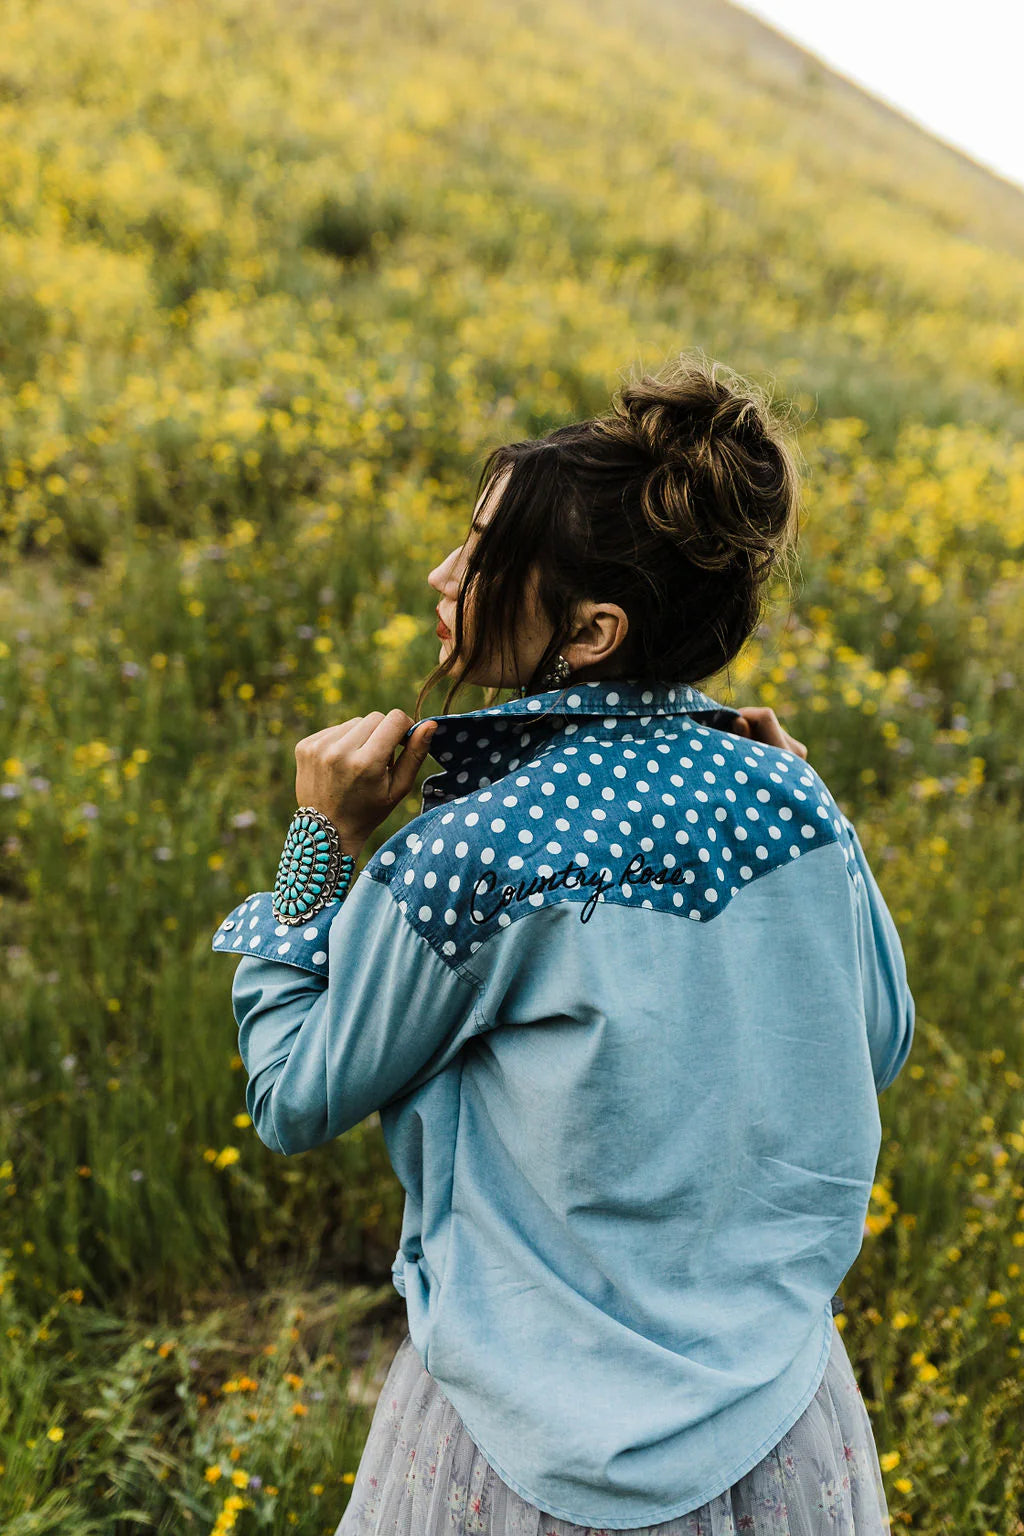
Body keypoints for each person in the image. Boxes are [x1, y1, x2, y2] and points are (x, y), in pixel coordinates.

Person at [210, 350, 912, 1534]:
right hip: (778, 1430)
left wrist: (317, 845)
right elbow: (875, 1042)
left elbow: (290, 1097)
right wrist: (805, 795)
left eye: (484, 557)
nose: (444, 572)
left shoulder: (465, 859)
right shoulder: (798, 803)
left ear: (589, 631)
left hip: (525, 1460)